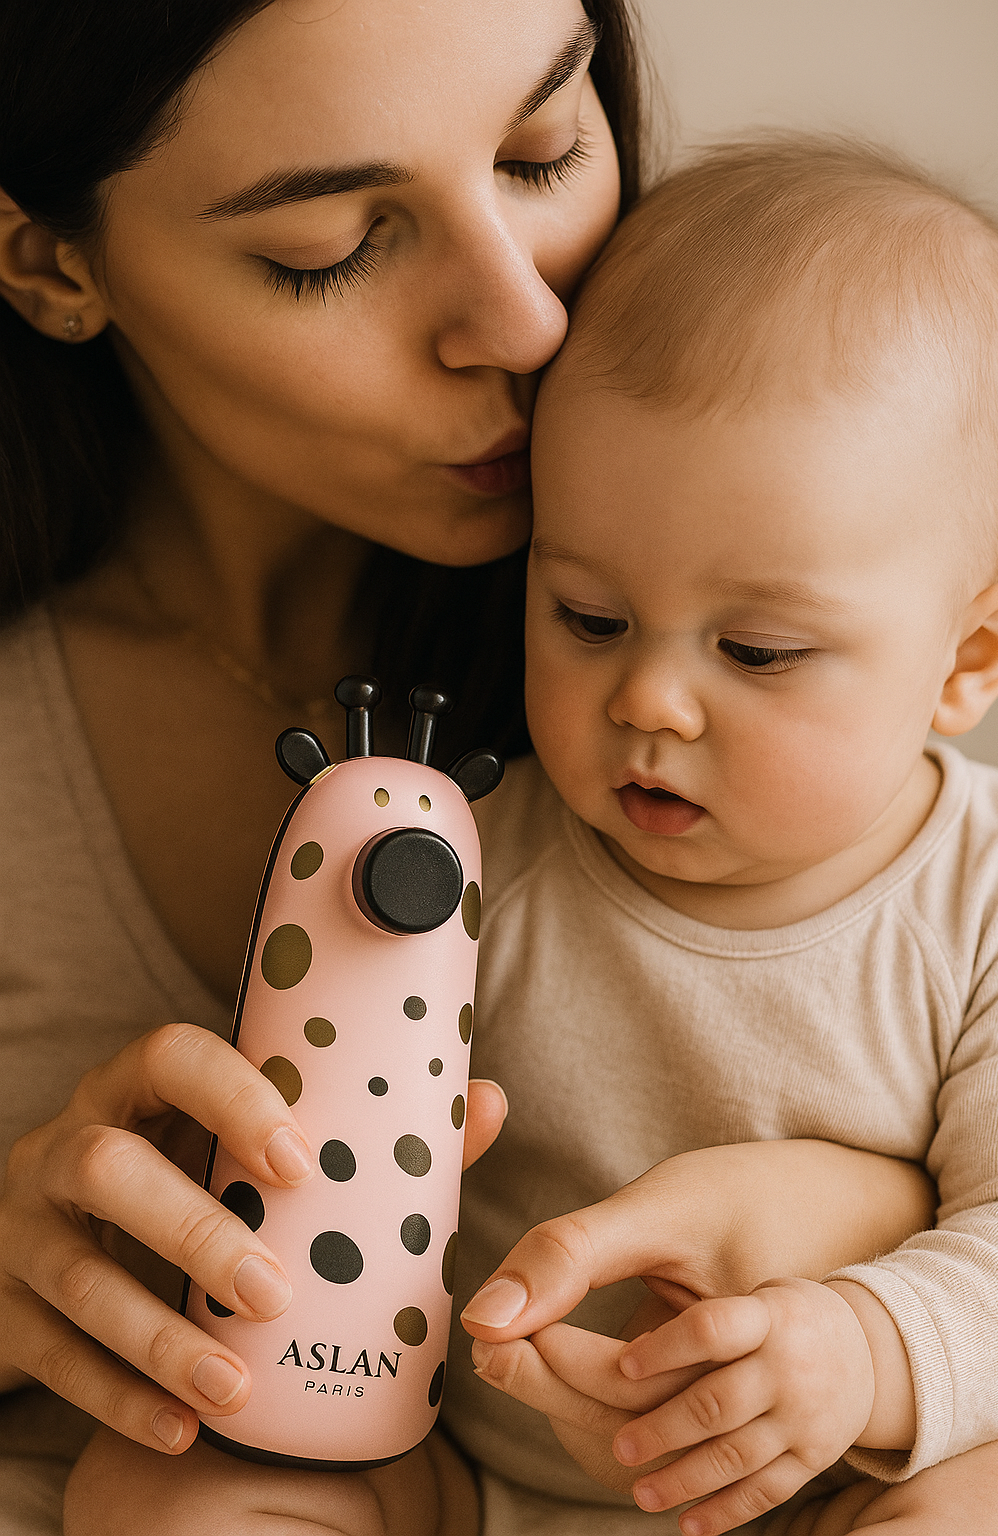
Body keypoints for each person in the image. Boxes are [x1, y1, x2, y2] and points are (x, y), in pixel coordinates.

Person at [0, 3, 939, 1532]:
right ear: (53, 264)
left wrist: (876, 1215)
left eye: (543, 150)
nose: (525, 322)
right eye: (326, 248)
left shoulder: (756, 613)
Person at [450, 137, 998, 1534]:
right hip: (471, 1466)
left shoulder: (991, 898)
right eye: (589, 617)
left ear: (968, 660)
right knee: (178, 1484)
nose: (647, 698)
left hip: (831, 1489)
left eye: (758, 651)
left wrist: (865, 1352)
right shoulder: (462, 862)